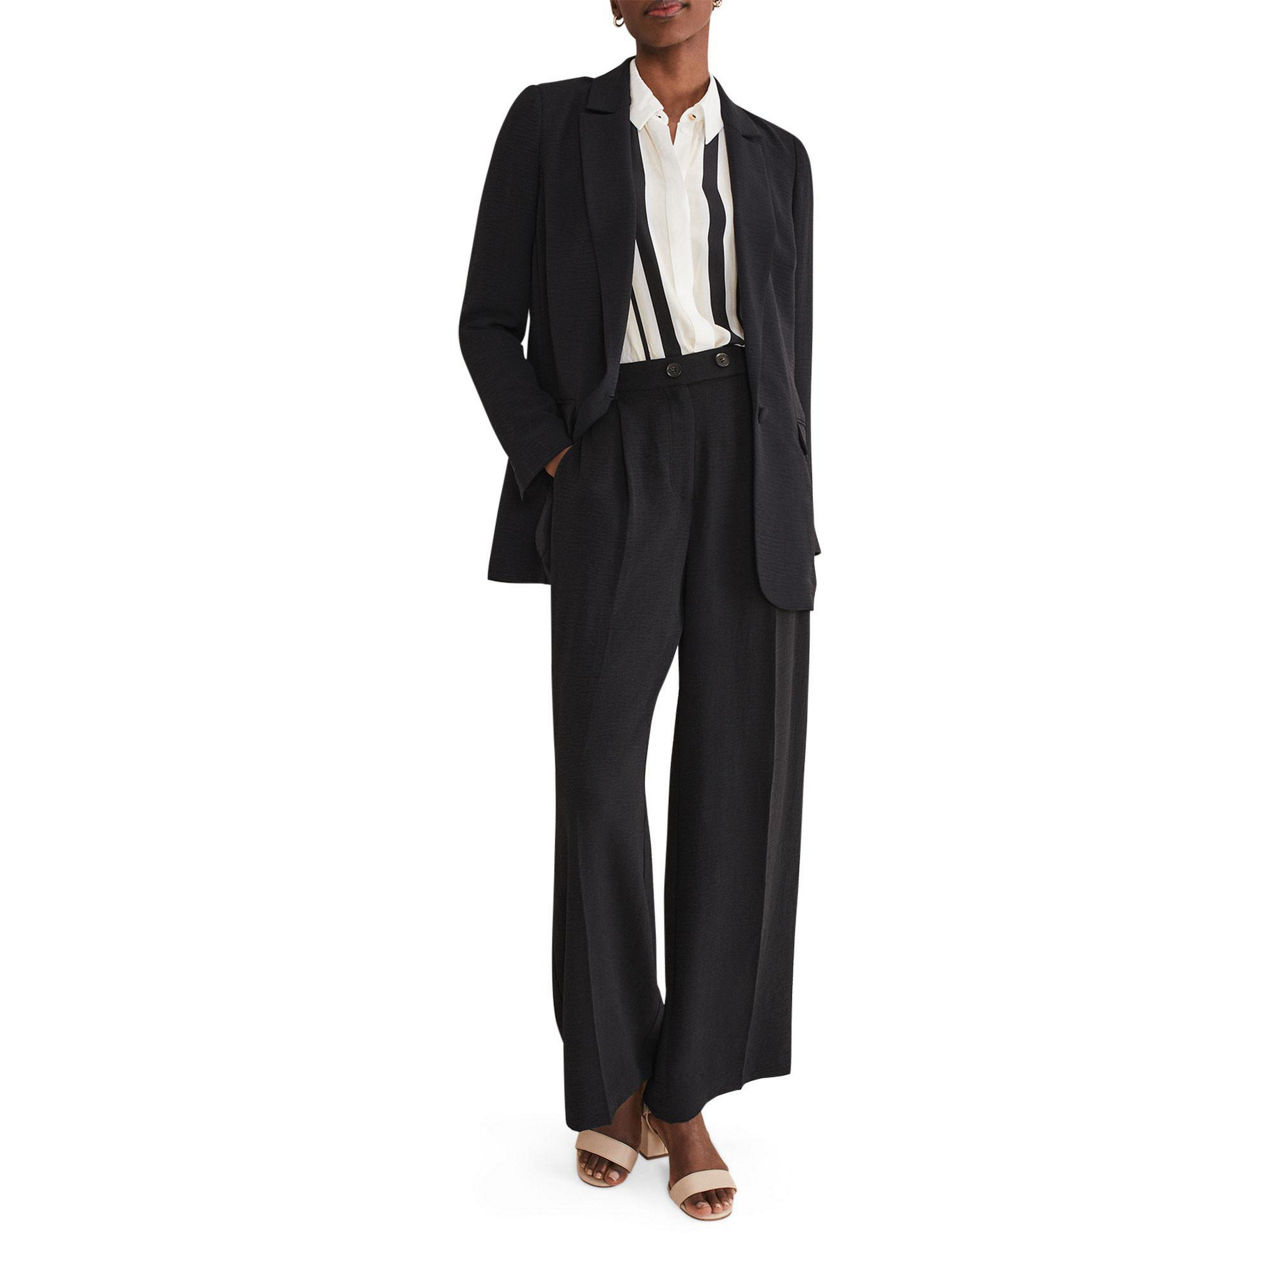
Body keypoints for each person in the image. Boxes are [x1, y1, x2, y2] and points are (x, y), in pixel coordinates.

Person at [458, 0, 819, 1221]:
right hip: (615, 455)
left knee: (736, 784)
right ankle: (610, 1072)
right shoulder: (549, 125)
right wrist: (562, 458)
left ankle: (685, 1089)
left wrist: (792, 498)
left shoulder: (777, 157)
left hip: (748, 465)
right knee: (600, 774)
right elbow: (484, 323)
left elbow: (792, 354)